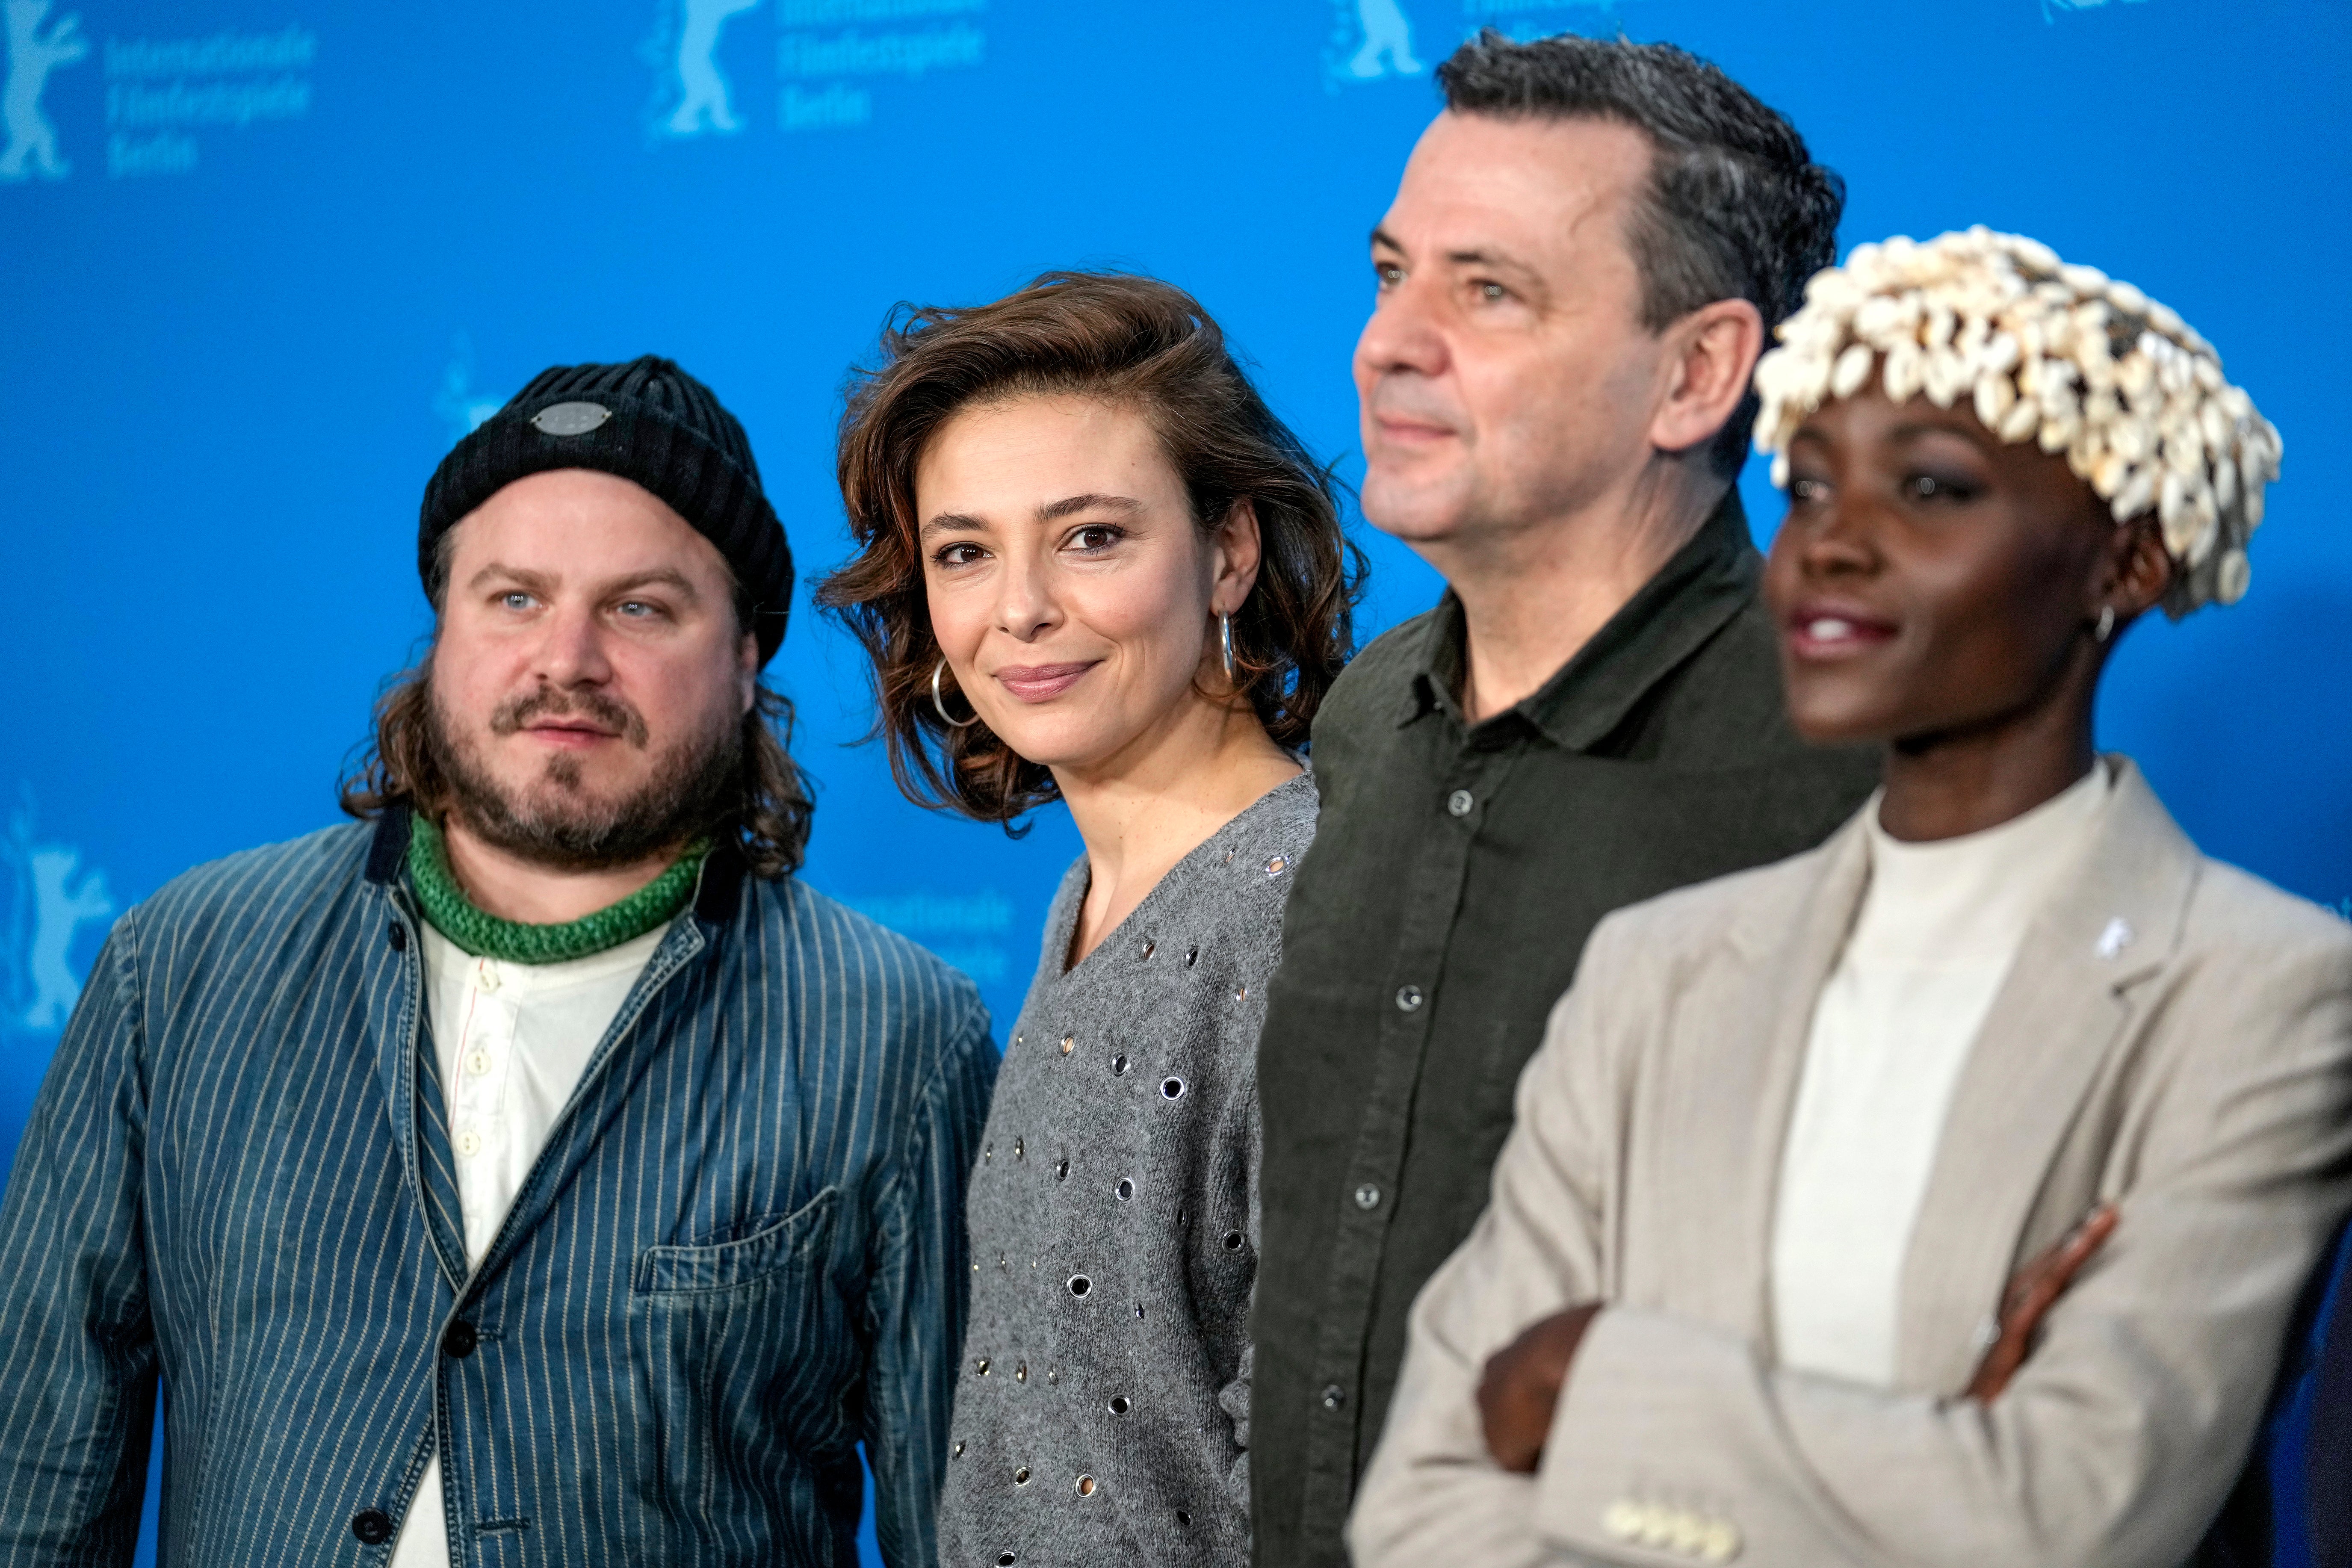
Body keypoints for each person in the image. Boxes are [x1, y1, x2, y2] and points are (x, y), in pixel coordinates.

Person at [1349, 227, 2351, 1568]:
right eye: (1811, 491)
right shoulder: (1658, 965)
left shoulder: (2265, 988)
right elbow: (1421, 1510)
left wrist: (1595, 1377)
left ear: (2123, 565)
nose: (1831, 546)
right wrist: (1920, 1447)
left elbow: (2065, 1516)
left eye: (1930, 489)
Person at [0, 357, 997, 1567]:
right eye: (513, 598)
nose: (565, 657)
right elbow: (36, 1478)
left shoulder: (895, 1033)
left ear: (746, 662)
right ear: (442, 632)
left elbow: (973, 1518)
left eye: (640, 607)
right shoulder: (183, 966)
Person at [1249, 31, 1880, 1564]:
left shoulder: (1862, 773)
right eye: (1391, 272)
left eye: (1487, 292)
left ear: (1697, 374)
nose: (1387, 344)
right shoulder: (1354, 725)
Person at [818, 272, 1361, 1567]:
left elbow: (1318, 1457)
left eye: (1091, 537)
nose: (1019, 609)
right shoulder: (1087, 896)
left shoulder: (1314, 905)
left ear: (1227, 552)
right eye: (964, 551)